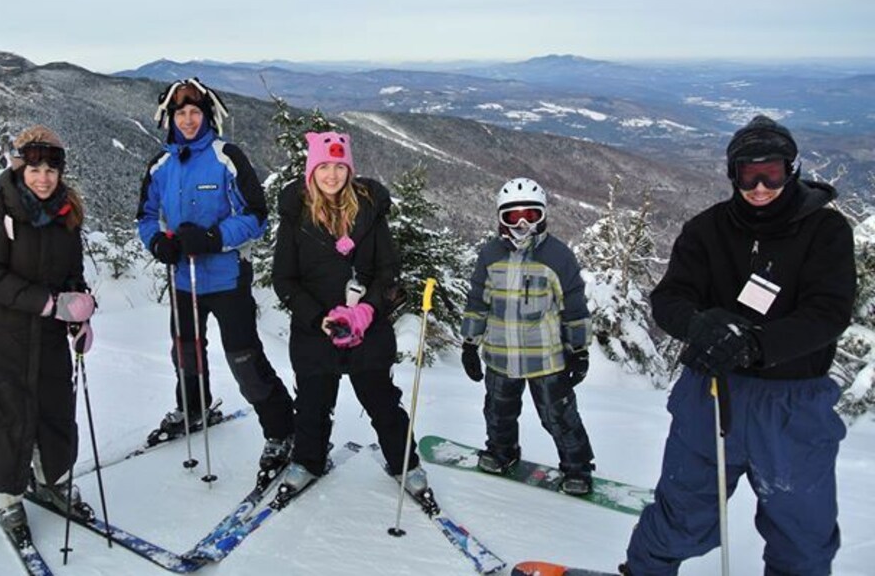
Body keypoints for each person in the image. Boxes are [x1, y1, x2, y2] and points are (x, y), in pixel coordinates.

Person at [620, 115, 856, 575]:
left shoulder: (824, 232)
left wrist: (756, 344)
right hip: (711, 394)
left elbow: (828, 312)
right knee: (681, 515)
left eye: (773, 171)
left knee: (802, 532)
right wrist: (699, 324)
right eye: (749, 174)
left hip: (792, 403)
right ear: (733, 175)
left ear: (793, 169)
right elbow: (669, 297)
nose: (761, 186)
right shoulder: (707, 230)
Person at [0, 125, 97, 548]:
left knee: (54, 412)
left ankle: (52, 480)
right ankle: (4, 499)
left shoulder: (67, 215)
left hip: (45, 337)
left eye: (51, 168)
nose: (43, 177)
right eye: (34, 167)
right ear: (18, 166)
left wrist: (79, 316)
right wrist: (50, 304)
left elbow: (72, 276)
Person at [136, 78, 295, 475]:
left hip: (226, 278)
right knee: (185, 352)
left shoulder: (227, 157)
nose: (188, 120)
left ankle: (282, 428)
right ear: (169, 118)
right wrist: (158, 242)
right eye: (181, 113)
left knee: (243, 358)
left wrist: (212, 238)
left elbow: (257, 217)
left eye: (195, 113)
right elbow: (145, 216)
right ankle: (193, 408)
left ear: (208, 116)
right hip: (183, 280)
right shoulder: (161, 164)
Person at [271, 131, 428, 501]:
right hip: (315, 330)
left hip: (366, 327)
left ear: (349, 170)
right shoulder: (296, 216)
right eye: (323, 166)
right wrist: (318, 318)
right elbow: (284, 279)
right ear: (312, 170)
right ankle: (308, 461)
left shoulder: (370, 212)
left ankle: (405, 463)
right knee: (312, 402)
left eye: (339, 167)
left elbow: (388, 271)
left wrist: (367, 310)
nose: (332, 175)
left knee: (382, 401)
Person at [460, 177, 595, 495]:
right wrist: (469, 343)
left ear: (543, 216)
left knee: (559, 417)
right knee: (498, 411)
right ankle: (502, 452)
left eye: (531, 216)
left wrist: (579, 349)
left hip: (546, 357)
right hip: (500, 354)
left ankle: (577, 467)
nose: (522, 224)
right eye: (512, 216)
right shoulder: (491, 254)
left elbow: (573, 303)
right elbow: (478, 300)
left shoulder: (557, 256)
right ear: (500, 219)